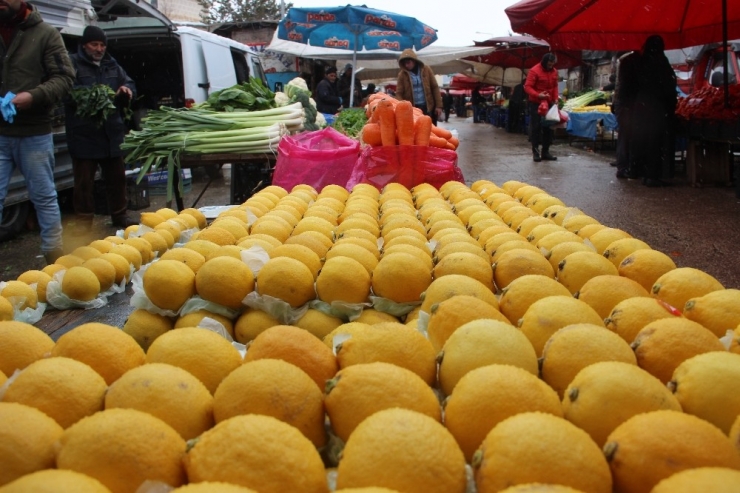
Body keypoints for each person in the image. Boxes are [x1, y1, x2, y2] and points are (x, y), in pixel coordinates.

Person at [0, 0, 75, 264]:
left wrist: (32, 96)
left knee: (43, 195)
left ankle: (54, 255)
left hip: (33, 130)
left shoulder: (45, 33)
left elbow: (65, 77)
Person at [65, 25, 137, 234]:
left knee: (117, 178)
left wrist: (127, 91)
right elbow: (67, 92)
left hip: (111, 133)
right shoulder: (73, 64)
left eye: (102, 45)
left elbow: (130, 83)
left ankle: (120, 215)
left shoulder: (112, 65)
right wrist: (99, 95)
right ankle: (84, 221)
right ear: (84, 45)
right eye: (94, 44)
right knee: (84, 182)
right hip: (84, 134)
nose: (99, 49)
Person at [631, 35, 678, 187]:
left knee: (644, 141)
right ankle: (652, 175)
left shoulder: (641, 61)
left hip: (641, 107)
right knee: (655, 143)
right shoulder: (659, 62)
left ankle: (644, 173)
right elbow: (667, 86)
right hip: (655, 108)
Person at [524, 52, 559, 162]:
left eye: (552, 64)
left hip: (549, 103)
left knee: (549, 128)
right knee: (536, 128)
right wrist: (538, 95)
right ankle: (535, 152)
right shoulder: (534, 71)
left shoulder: (554, 72)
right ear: (544, 62)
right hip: (536, 103)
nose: (551, 66)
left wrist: (556, 98)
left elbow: (555, 86)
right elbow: (528, 87)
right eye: (549, 64)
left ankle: (546, 152)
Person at [396, 49, 443, 125]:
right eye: (405, 64)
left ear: (414, 61)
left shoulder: (426, 70)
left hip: (428, 106)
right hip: (412, 108)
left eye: (408, 62)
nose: (406, 65)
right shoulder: (402, 75)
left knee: (430, 129)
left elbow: (434, 87)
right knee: (416, 130)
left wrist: (439, 105)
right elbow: (399, 93)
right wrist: (402, 107)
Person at [613, 50, 641, 178]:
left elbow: (619, 85)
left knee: (624, 136)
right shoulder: (629, 60)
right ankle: (624, 166)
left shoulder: (626, 60)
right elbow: (621, 85)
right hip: (627, 104)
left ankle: (624, 165)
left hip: (624, 103)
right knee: (626, 136)